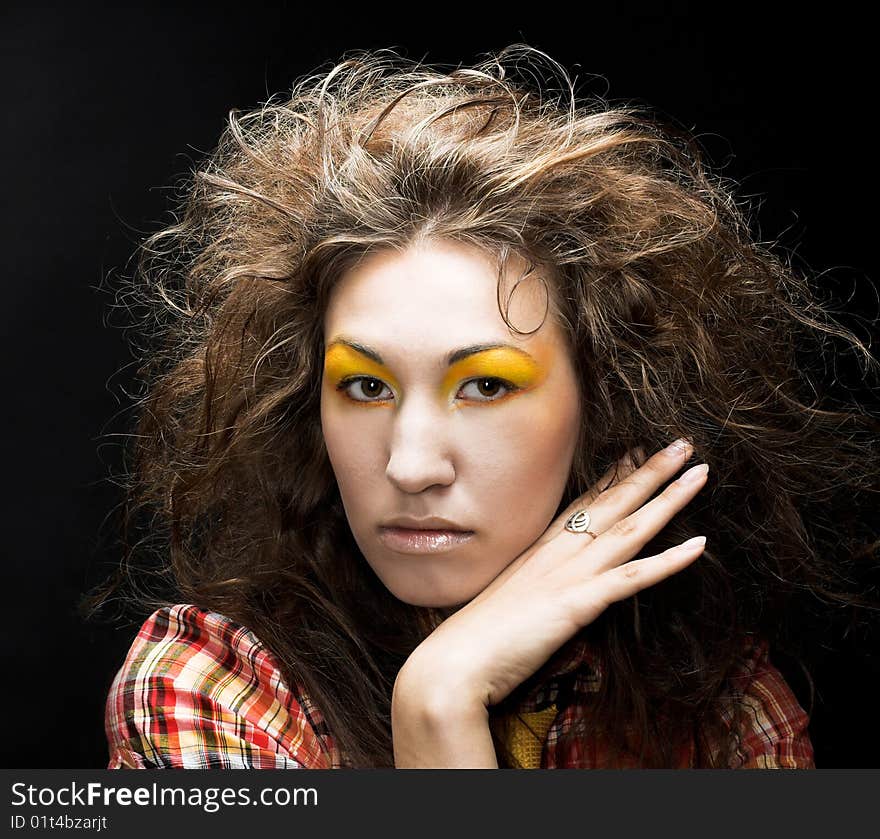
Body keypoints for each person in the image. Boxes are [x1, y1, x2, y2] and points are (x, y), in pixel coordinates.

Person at [90, 45, 879, 769]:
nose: (410, 464)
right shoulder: (210, 686)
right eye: (365, 386)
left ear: (603, 403)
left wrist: (443, 698)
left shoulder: (722, 708)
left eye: (486, 385)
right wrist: (438, 706)